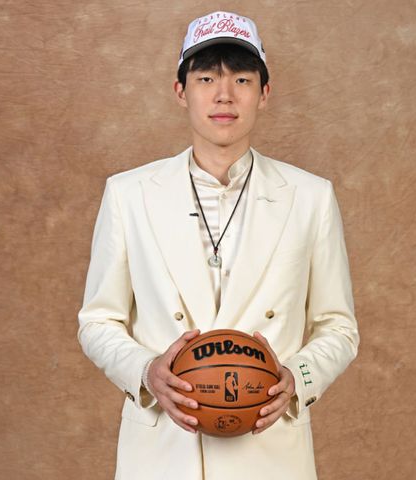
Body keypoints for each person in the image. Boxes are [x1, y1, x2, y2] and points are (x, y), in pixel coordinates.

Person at [77, 10, 359, 480]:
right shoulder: (128, 193)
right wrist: (146, 371)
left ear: (264, 93)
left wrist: (298, 379)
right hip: (161, 456)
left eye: (242, 79)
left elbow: (339, 327)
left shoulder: (311, 196)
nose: (224, 95)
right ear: (180, 91)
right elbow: (97, 321)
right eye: (206, 78)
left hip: (271, 455)